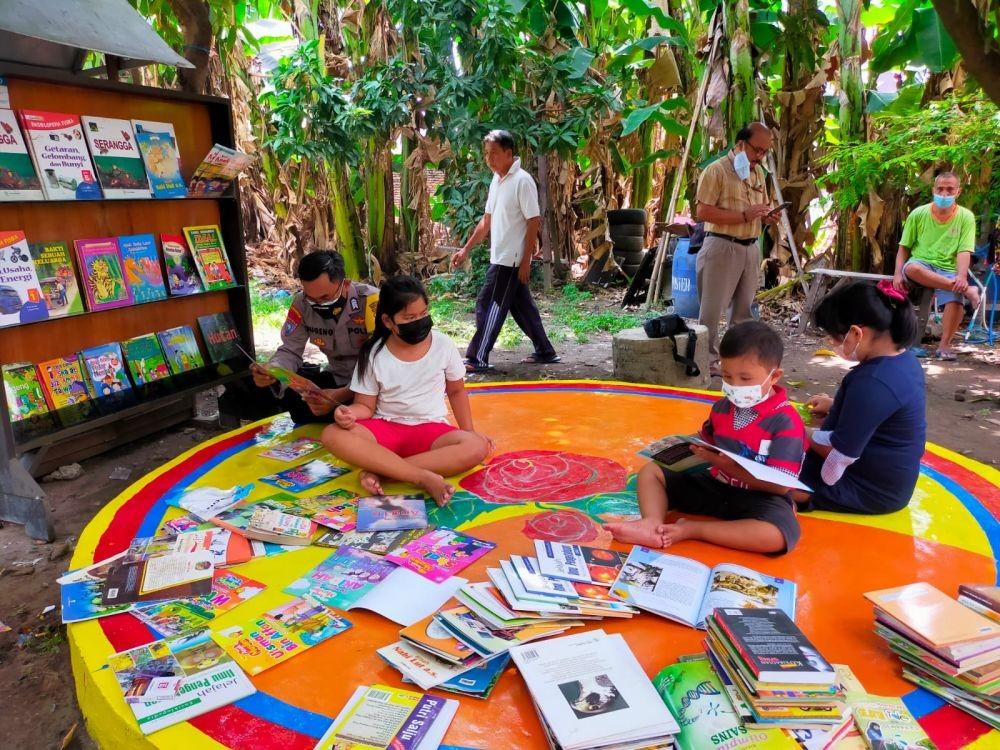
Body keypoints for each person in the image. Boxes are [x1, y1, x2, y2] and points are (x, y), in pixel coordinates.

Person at [606, 321, 805, 555]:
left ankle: (693, 530)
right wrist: (680, 447)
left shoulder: (786, 422)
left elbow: (781, 487)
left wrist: (725, 465)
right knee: (652, 472)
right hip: (714, 486)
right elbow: (705, 440)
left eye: (745, 378)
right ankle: (652, 524)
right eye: (727, 376)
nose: (734, 386)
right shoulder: (722, 407)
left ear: (774, 376)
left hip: (758, 498)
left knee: (777, 536)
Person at [321, 276, 490, 507]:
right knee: (332, 434)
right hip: (385, 429)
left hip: (431, 430)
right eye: (410, 318)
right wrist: (349, 414)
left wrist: (470, 432)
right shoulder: (374, 352)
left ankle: (382, 471)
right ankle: (422, 476)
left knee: (476, 446)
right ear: (388, 321)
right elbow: (365, 407)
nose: (419, 321)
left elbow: (457, 391)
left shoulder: (443, 344)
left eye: (423, 314)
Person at [796, 282, 926, 515]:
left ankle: (804, 494)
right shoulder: (903, 360)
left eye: (834, 338)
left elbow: (838, 454)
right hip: (891, 482)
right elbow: (881, 415)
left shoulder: (872, 381)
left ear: (856, 333)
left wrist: (794, 429)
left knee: (764, 477)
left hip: (867, 488)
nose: (831, 344)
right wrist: (836, 406)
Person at [451, 129, 559, 373]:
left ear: (509, 154)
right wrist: (465, 249)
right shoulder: (497, 180)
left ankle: (477, 357)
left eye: (494, 154)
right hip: (500, 257)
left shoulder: (522, 180)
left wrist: (525, 261)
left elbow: (534, 221)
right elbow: (486, 221)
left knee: (489, 305)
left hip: (510, 261)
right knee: (522, 307)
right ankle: (545, 351)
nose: (489, 159)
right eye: (486, 154)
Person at [251, 250, 378, 423]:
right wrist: (272, 370)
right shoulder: (301, 304)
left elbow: (384, 362)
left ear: (346, 284)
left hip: (372, 386)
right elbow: (290, 349)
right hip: (337, 378)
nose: (319, 305)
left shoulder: (372, 302)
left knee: (363, 415)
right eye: (312, 299)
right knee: (292, 399)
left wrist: (342, 395)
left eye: (326, 297)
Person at [694, 122, 780, 377]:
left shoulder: (758, 174)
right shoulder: (716, 171)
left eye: (765, 152)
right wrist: (743, 215)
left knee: (743, 311)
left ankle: (736, 361)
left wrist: (767, 216)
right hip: (722, 245)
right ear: (741, 143)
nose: (760, 157)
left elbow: (759, 209)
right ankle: (706, 361)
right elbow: (702, 212)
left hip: (750, 248)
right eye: (757, 150)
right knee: (712, 310)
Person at [892, 172, 979, 361]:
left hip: (949, 267)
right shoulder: (918, 214)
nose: (944, 193)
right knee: (911, 269)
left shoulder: (966, 217)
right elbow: (903, 248)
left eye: (950, 189)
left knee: (955, 300)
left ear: (958, 191)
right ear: (933, 190)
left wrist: (962, 277)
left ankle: (945, 345)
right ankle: (966, 290)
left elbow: (964, 251)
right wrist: (897, 273)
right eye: (940, 189)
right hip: (921, 264)